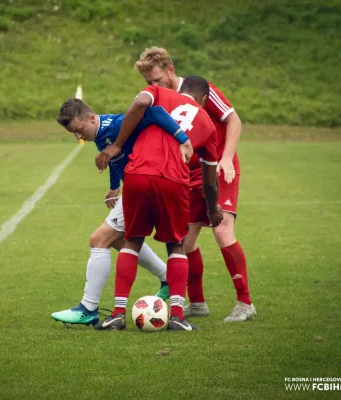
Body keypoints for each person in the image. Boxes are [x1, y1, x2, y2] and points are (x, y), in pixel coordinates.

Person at [134, 47, 256, 322]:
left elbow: (233, 120)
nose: (153, 86)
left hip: (218, 169)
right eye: (148, 83)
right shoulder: (159, 98)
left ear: (170, 70)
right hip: (187, 174)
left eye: (156, 79)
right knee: (184, 240)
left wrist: (225, 159)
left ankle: (245, 302)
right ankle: (198, 303)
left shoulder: (201, 90)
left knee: (222, 230)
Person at [51, 99, 193, 326]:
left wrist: (183, 139)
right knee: (117, 241)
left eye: (79, 130)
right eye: (74, 134)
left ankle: (89, 308)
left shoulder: (118, 124)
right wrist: (114, 186)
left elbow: (154, 111)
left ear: (90, 117)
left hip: (148, 185)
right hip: (137, 187)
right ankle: (167, 278)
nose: (79, 137)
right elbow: (116, 159)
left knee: (99, 240)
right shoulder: (99, 133)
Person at [94, 81, 221, 331]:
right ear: (204, 99)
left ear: (179, 91)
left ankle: (118, 314)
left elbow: (141, 104)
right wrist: (212, 209)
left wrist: (117, 144)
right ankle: (176, 317)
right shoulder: (208, 124)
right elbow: (209, 182)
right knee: (175, 245)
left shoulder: (160, 93)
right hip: (173, 180)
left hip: (137, 174)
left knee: (132, 240)